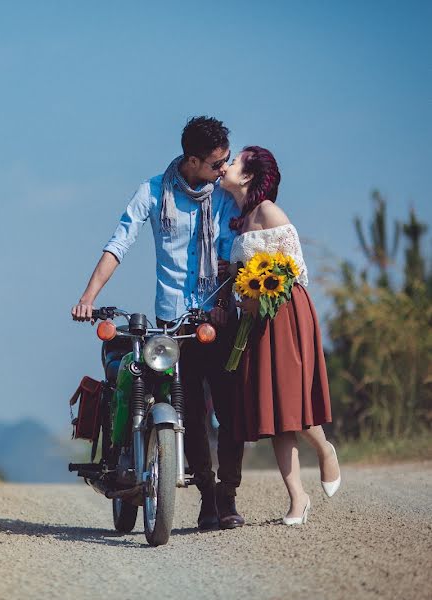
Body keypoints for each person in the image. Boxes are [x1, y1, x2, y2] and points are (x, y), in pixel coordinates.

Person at [71, 116, 245, 530]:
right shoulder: (153, 192)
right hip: (172, 323)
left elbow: (236, 248)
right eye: (217, 163)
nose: (224, 169)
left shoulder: (223, 196)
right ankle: (205, 497)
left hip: (217, 316)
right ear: (192, 160)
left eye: (227, 161)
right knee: (192, 413)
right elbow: (120, 242)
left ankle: (229, 494)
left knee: (231, 413)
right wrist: (88, 296)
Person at [221, 146, 341, 525]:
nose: (227, 165)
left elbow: (292, 269)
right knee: (273, 410)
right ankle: (298, 499)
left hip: (286, 314)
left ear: (249, 176)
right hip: (256, 321)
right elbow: (243, 277)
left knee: (292, 403)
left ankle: (325, 451)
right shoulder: (241, 220)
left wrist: (261, 295)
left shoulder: (269, 211)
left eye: (235, 161)